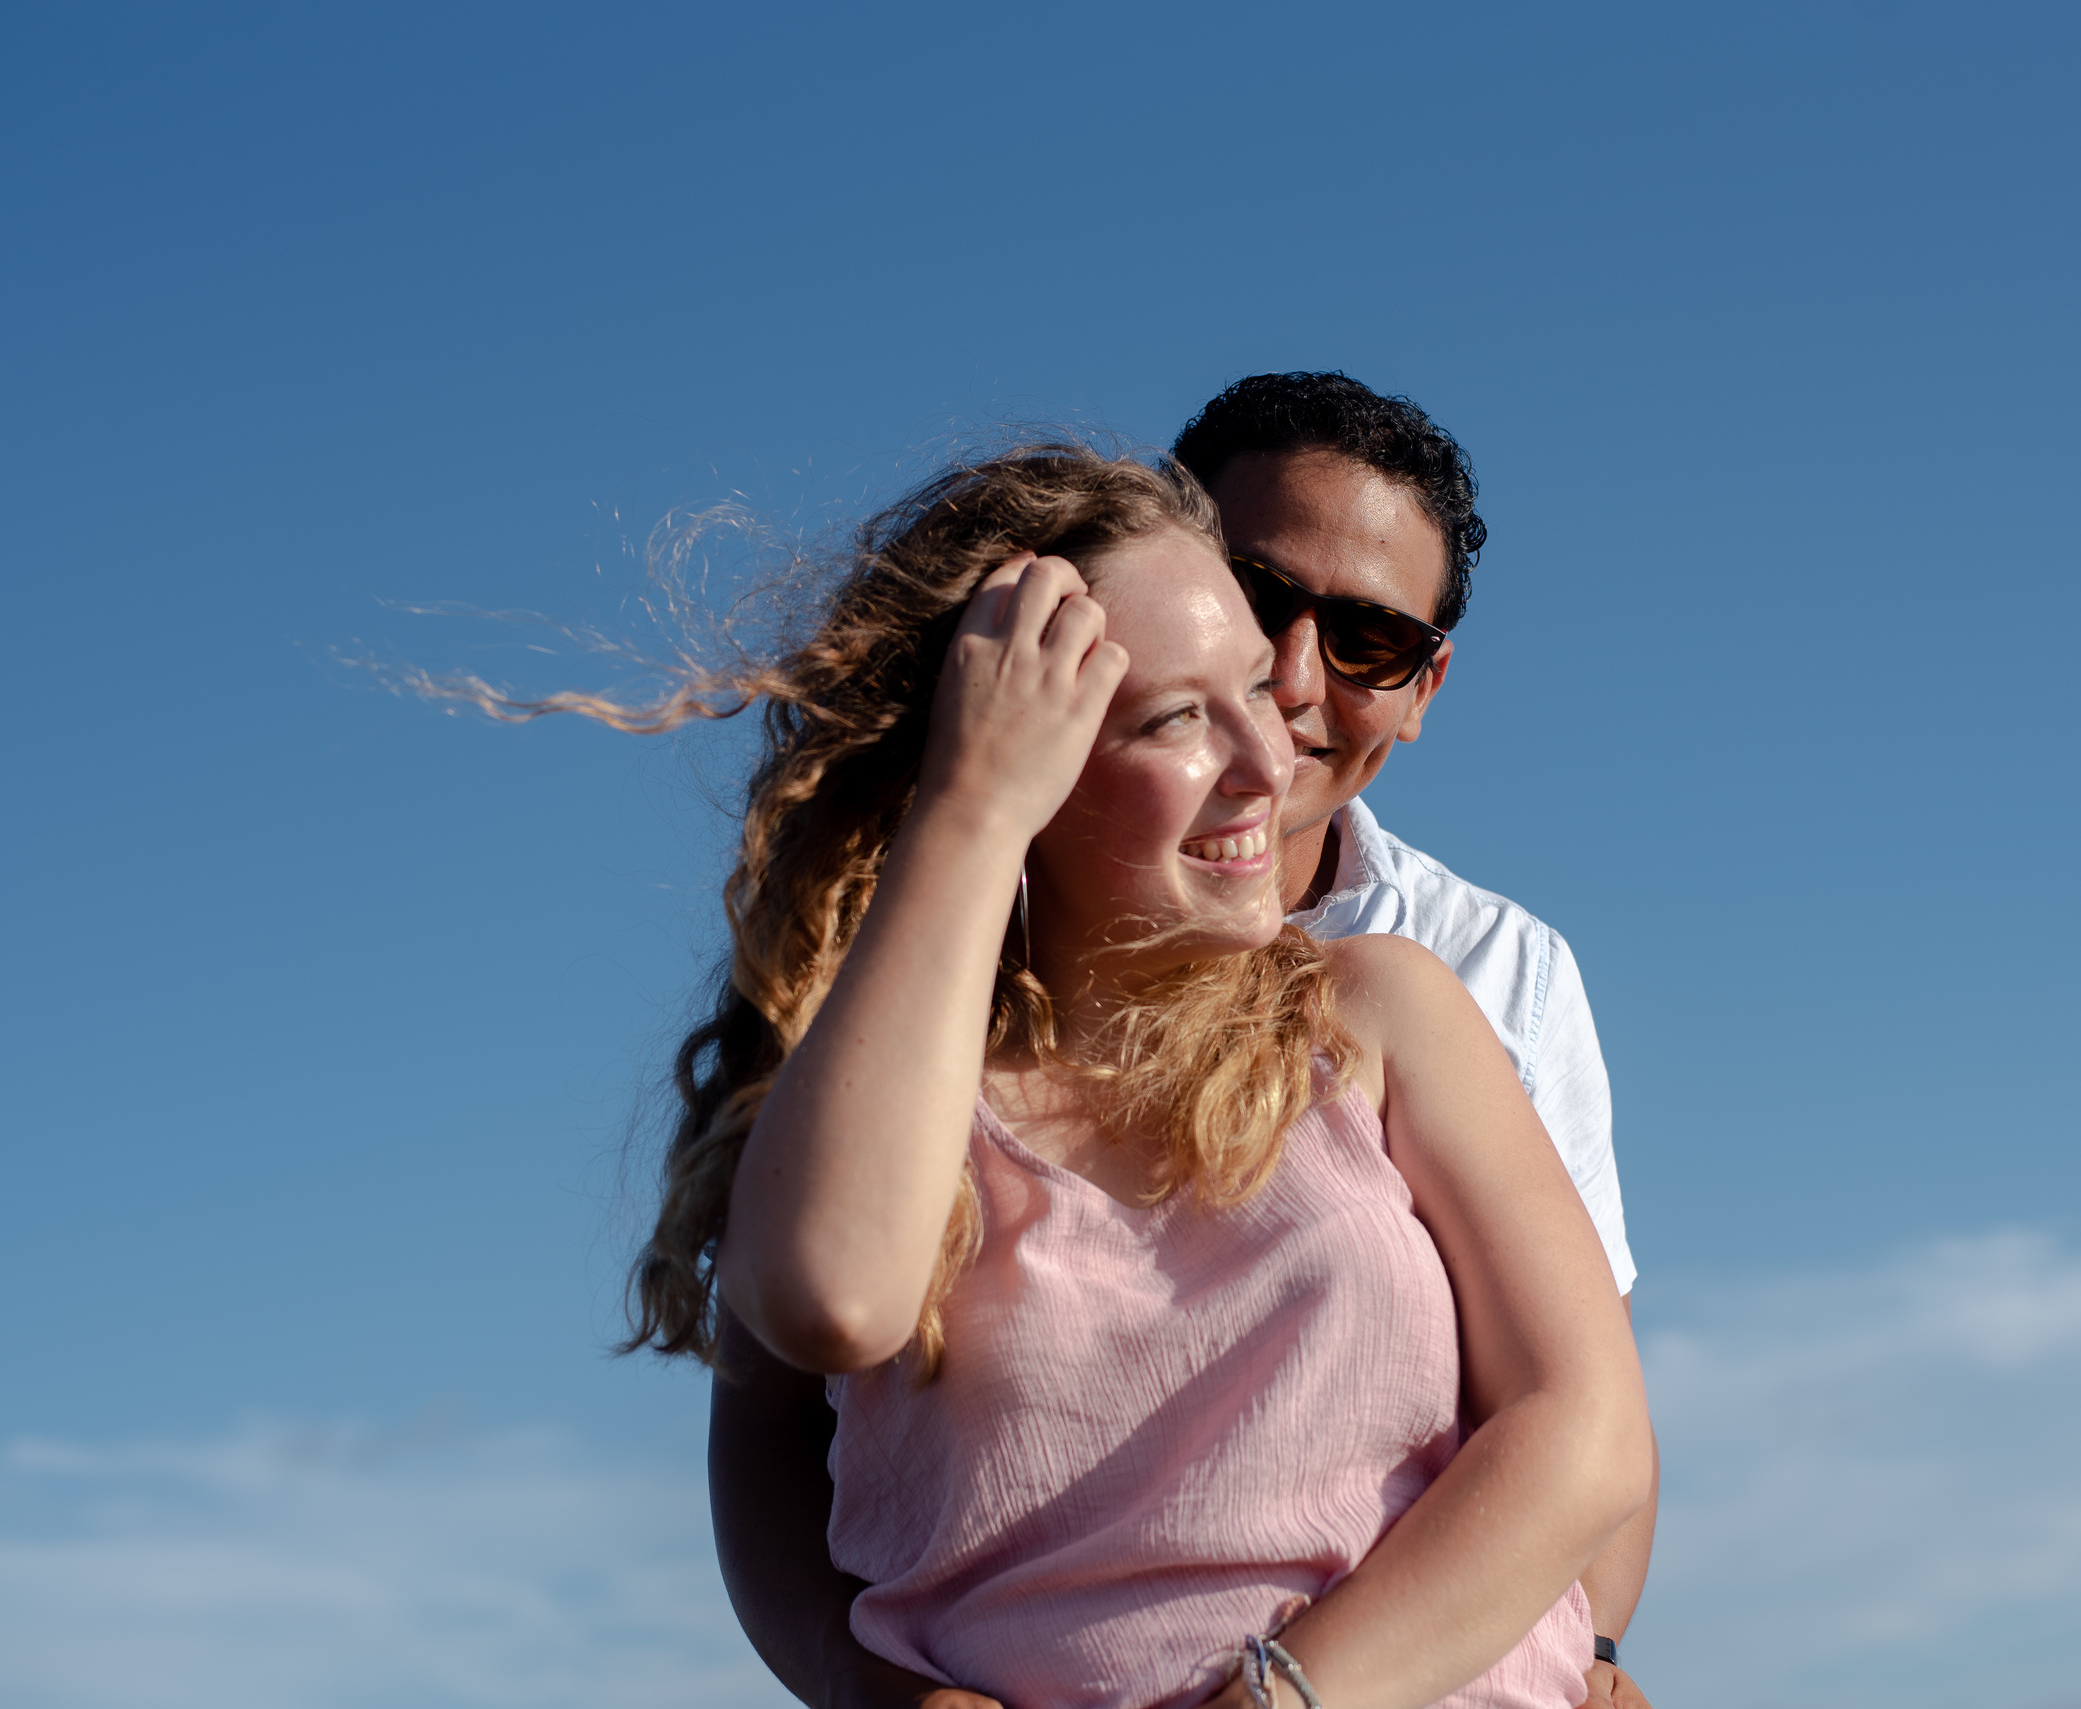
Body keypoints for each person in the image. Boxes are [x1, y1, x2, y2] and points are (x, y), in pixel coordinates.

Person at [600, 444, 1650, 1708]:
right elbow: (830, 1303)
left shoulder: (1384, 1006)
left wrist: (1280, 1699)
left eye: (1252, 690)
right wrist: (968, 810)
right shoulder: (868, 1087)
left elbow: (1582, 1429)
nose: (1269, 761)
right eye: (1173, 719)